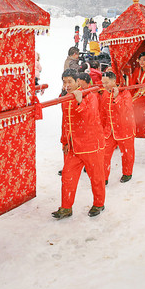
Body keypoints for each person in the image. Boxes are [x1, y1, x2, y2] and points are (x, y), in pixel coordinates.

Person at [52, 69, 106, 219]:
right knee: (67, 176)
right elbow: (65, 122)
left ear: (78, 82)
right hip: (74, 147)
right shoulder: (65, 98)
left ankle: (99, 203)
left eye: (70, 81)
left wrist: (79, 101)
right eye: (64, 82)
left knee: (96, 177)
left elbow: (90, 117)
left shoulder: (90, 96)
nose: (67, 85)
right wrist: (65, 141)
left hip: (91, 145)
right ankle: (66, 207)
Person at [98, 71, 136, 183]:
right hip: (109, 130)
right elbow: (103, 113)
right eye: (103, 83)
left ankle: (127, 173)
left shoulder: (125, 93)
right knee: (104, 154)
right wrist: (101, 128)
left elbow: (126, 112)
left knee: (127, 153)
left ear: (114, 81)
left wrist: (117, 97)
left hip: (125, 129)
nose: (104, 85)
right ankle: (103, 177)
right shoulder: (105, 93)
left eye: (106, 83)